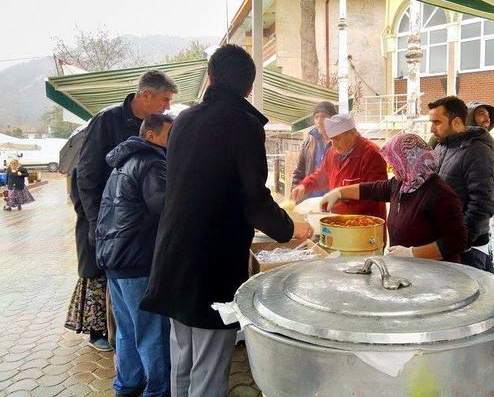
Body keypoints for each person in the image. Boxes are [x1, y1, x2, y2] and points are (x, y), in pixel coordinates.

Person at [140, 44, 312, 397]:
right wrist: (293, 228)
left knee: (183, 359)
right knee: (208, 366)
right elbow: (254, 199)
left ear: (210, 77)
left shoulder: (185, 120)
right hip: (210, 265)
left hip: (173, 257)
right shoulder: (244, 124)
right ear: (248, 88)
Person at [65, 70, 177, 352]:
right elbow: (87, 176)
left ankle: (127, 351)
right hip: (106, 218)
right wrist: (95, 223)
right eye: (164, 100)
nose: (167, 106)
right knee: (101, 276)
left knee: (125, 287)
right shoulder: (108, 120)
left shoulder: (155, 126)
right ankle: (99, 331)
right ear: (146, 95)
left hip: (136, 223)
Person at [95, 113, 174, 397]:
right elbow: (164, 206)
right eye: (170, 135)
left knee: (128, 331)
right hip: (137, 260)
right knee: (151, 331)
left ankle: (127, 385)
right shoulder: (152, 161)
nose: (173, 142)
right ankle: (157, 390)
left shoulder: (122, 163)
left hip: (114, 259)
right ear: (150, 135)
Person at [321, 133, 468, 262]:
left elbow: (456, 241)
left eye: (394, 163)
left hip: (435, 274)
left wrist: (412, 253)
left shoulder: (441, 195)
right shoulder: (401, 184)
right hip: (407, 268)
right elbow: (372, 189)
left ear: (409, 161)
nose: (391, 168)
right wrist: (339, 193)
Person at [428, 96, 494, 272]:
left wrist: (459, 241)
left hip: (468, 250)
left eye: (437, 122)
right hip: (445, 243)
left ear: (456, 121)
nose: (431, 128)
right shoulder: (441, 147)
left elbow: (482, 205)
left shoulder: (478, 151)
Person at [291, 113, 387, 220]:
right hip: (338, 220)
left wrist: (342, 196)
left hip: (366, 223)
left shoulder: (372, 154)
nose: (334, 144)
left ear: (353, 133)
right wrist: (304, 186)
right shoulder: (332, 153)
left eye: (337, 139)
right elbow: (321, 175)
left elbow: (377, 191)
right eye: (331, 139)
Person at [291, 101, 337, 198]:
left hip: (334, 200)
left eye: (324, 117)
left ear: (332, 119)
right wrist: (295, 189)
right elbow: (299, 170)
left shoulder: (340, 142)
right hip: (310, 201)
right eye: (316, 117)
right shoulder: (309, 141)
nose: (319, 121)